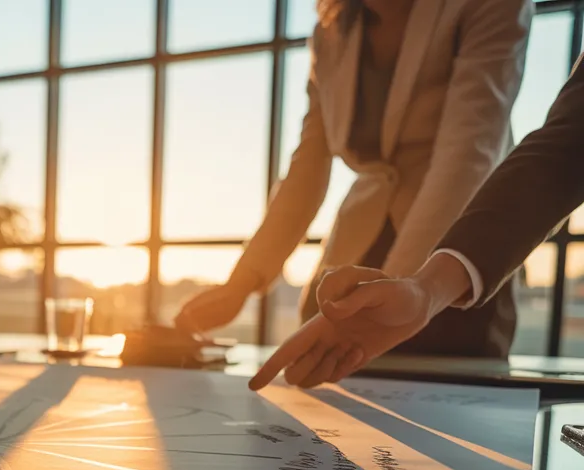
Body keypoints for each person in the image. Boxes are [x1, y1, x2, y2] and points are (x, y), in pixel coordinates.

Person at [175, 0, 531, 360]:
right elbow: (308, 165)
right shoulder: (330, 32)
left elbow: (468, 151)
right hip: (360, 239)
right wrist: (240, 284)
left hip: (451, 254)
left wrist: (406, 289)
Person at [250, 52, 584, 390]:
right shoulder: (331, 31)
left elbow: (473, 144)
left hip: (454, 236)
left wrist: (419, 285)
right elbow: (564, 146)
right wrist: (242, 285)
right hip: (367, 257)